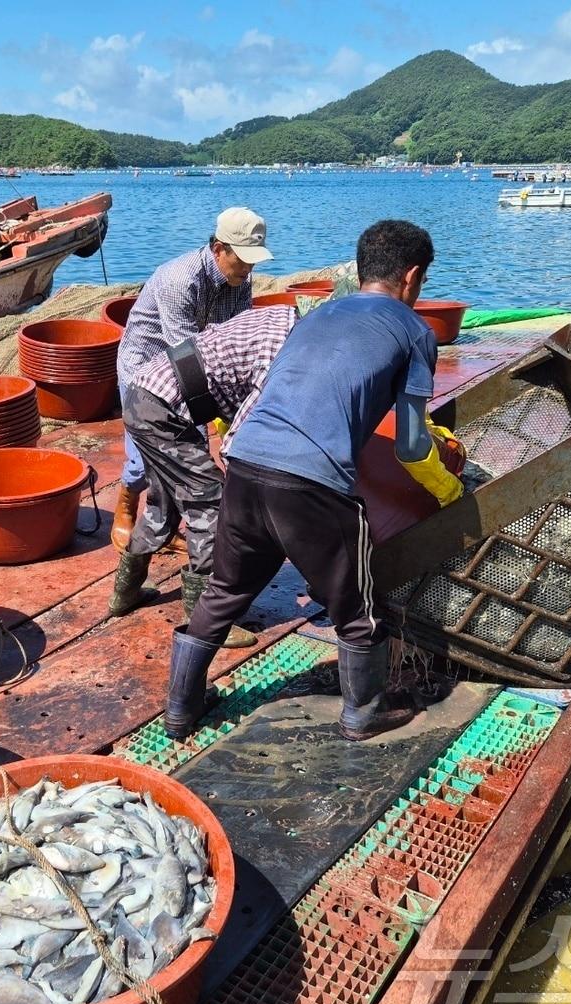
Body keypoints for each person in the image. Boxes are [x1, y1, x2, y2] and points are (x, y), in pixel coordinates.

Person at [162, 219, 466, 741]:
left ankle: (180, 709)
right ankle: (363, 713)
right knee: (356, 607)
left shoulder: (318, 313)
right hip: (311, 485)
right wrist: (453, 494)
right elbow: (414, 446)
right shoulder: (415, 331)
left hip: (245, 465)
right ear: (413, 277)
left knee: (225, 591)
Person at [109, 304, 299, 649]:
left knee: (163, 503)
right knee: (209, 501)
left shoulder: (281, 315)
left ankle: (124, 593)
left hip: (145, 397)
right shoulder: (283, 353)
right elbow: (239, 440)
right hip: (164, 407)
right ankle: (203, 621)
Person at [111, 206, 271, 552]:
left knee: (192, 450)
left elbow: (236, 336)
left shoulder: (241, 281)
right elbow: (183, 356)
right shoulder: (179, 280)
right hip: (148, 366)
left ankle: (171, 523)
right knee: (151, 453)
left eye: (253, 261)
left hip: (199, 361)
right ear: (218, 249)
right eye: (242, 260)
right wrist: (204, 426)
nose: (248, 269)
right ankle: (126, 503)